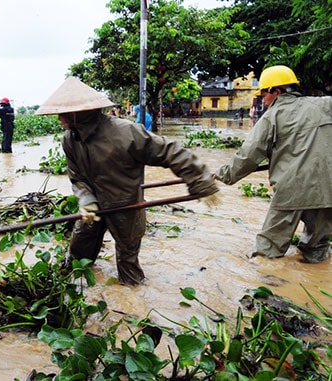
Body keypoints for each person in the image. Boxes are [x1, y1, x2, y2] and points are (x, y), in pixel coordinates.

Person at [35, 76, 219, 285]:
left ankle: (133, 301)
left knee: (128, 265)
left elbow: (169, 151)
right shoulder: (69, 139)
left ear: (75, 114)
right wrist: (85, 198)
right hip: (93, 208)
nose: (59, 119)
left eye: (62, 114)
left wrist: (200, 181)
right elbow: (76, 177)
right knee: (77, 255)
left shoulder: (126, 132)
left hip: (126, 207)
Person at [215, 65, 332, 263]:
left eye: (263, 96)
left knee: (266, 252)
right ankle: (306, 281)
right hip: (328, 188)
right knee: (317, 248)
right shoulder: (326, 104)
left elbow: (249, 155)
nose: (263, 101)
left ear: (275, 92)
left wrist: (223, 174)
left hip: (293, 190)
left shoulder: (273, 116)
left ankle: (269, 284)